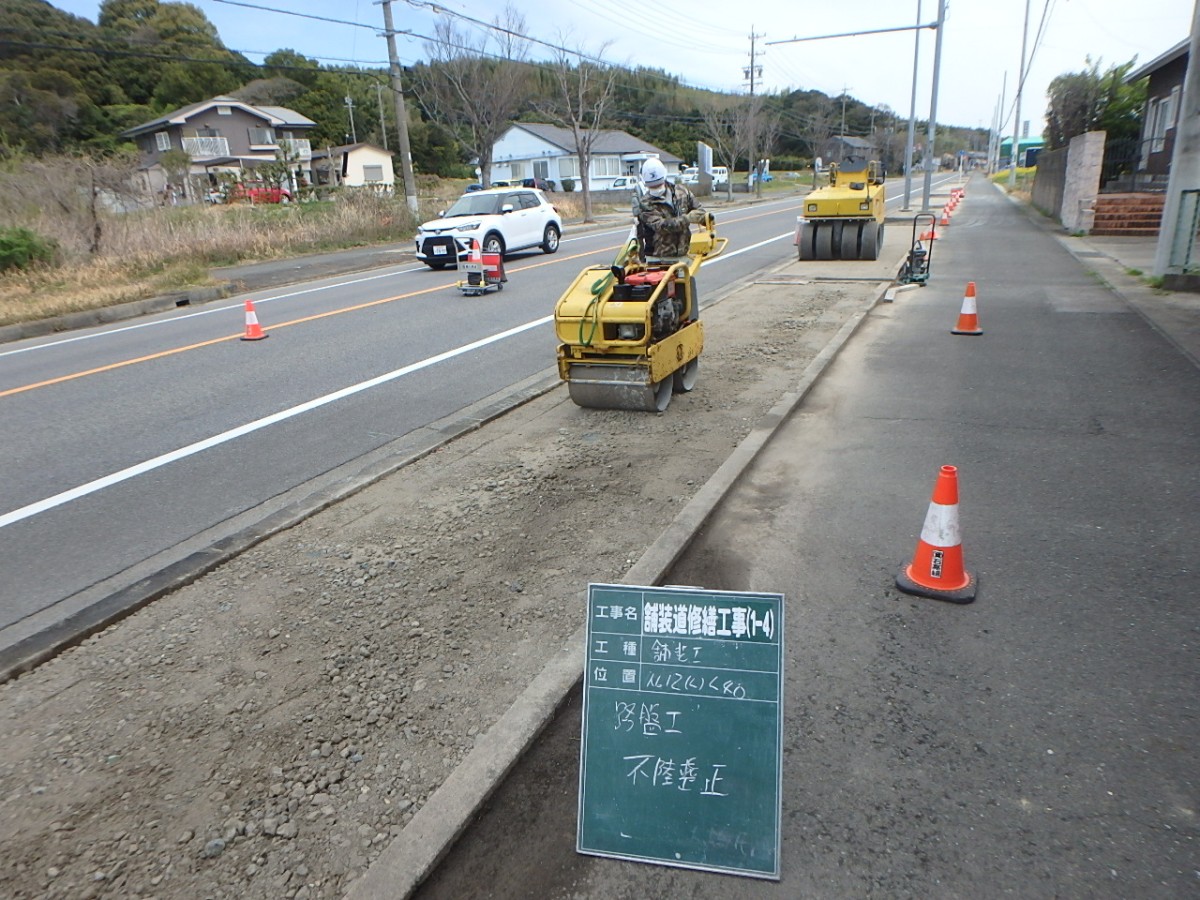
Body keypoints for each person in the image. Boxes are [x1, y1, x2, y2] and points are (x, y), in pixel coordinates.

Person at [633, 157, 709, 260]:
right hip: (659, 258)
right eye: (652, 187)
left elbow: (700, 211)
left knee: (689, 276)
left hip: (684, 253)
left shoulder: (682, 192)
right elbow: (662, 226)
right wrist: (688, 218)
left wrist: (705, 219)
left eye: (658, 185)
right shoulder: (645, 204)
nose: (656, 189)